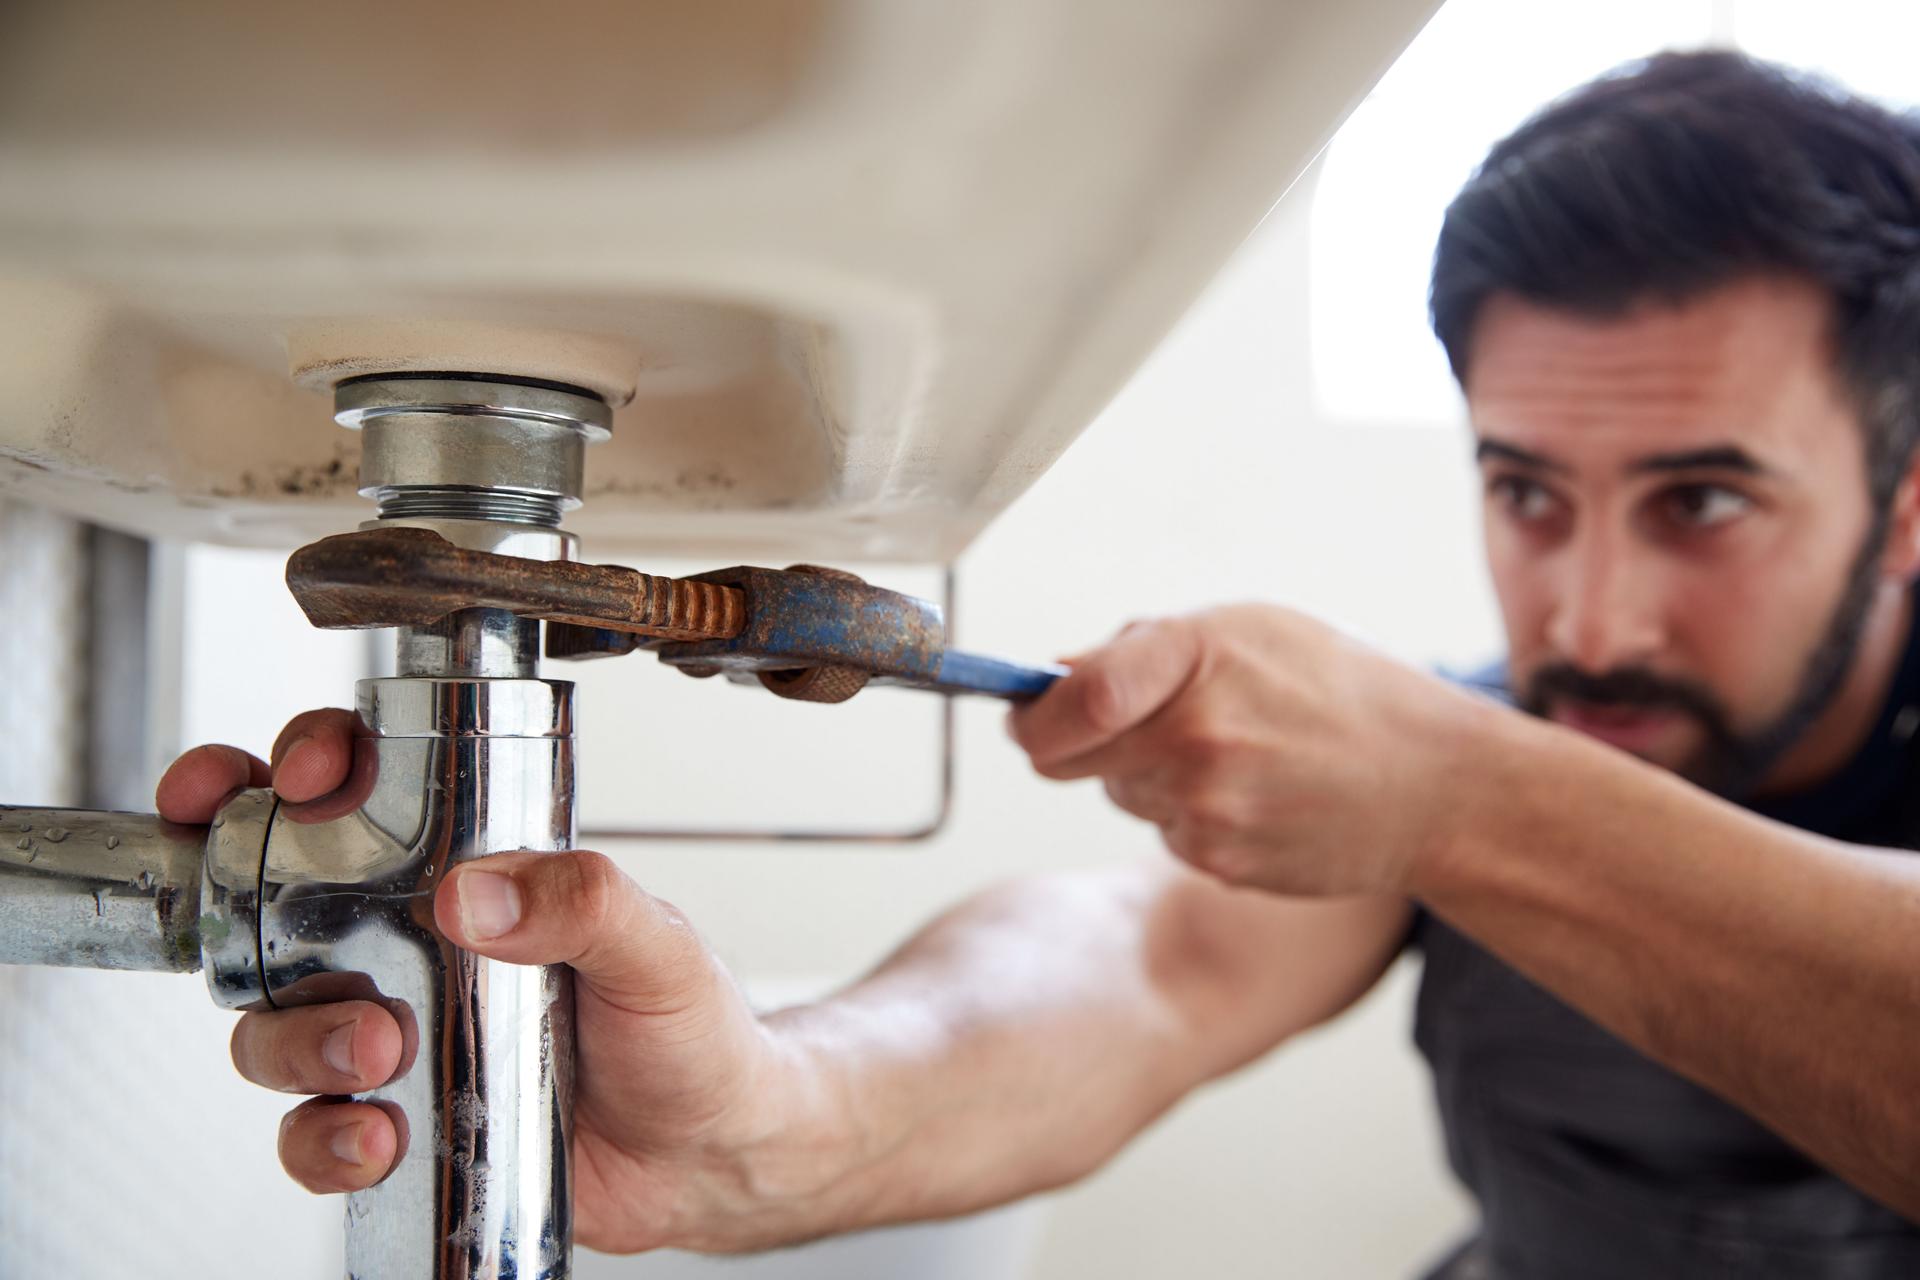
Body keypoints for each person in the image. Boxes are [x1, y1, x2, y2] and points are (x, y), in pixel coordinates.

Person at [157, 51, 1920, 1276]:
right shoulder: (1481, 757)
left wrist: (1457, 795)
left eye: (1703, 503)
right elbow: (1138, 963)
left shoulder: (1466, 779)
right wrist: (778, 1106)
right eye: (1527, 492)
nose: (1591, 616)